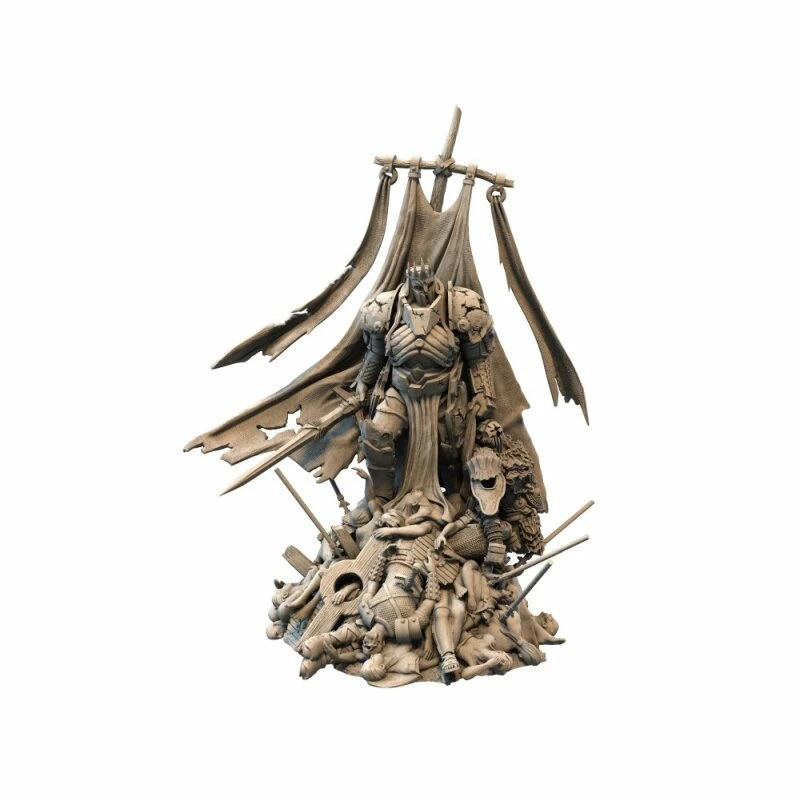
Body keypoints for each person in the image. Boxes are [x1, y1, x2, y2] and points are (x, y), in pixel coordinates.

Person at [355, 262, 496, 520]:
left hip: (445, 395)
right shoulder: (385, 308)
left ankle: (454, 499)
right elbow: (376, 352)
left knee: (451, 450)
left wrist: (484, 393)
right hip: (399, 392)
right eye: (416, 284)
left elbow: (477, 356)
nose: (422, 290)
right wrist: (364, 381)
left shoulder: (461, 305)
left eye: (427, 284)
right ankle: (382, 499)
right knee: (376, 436)